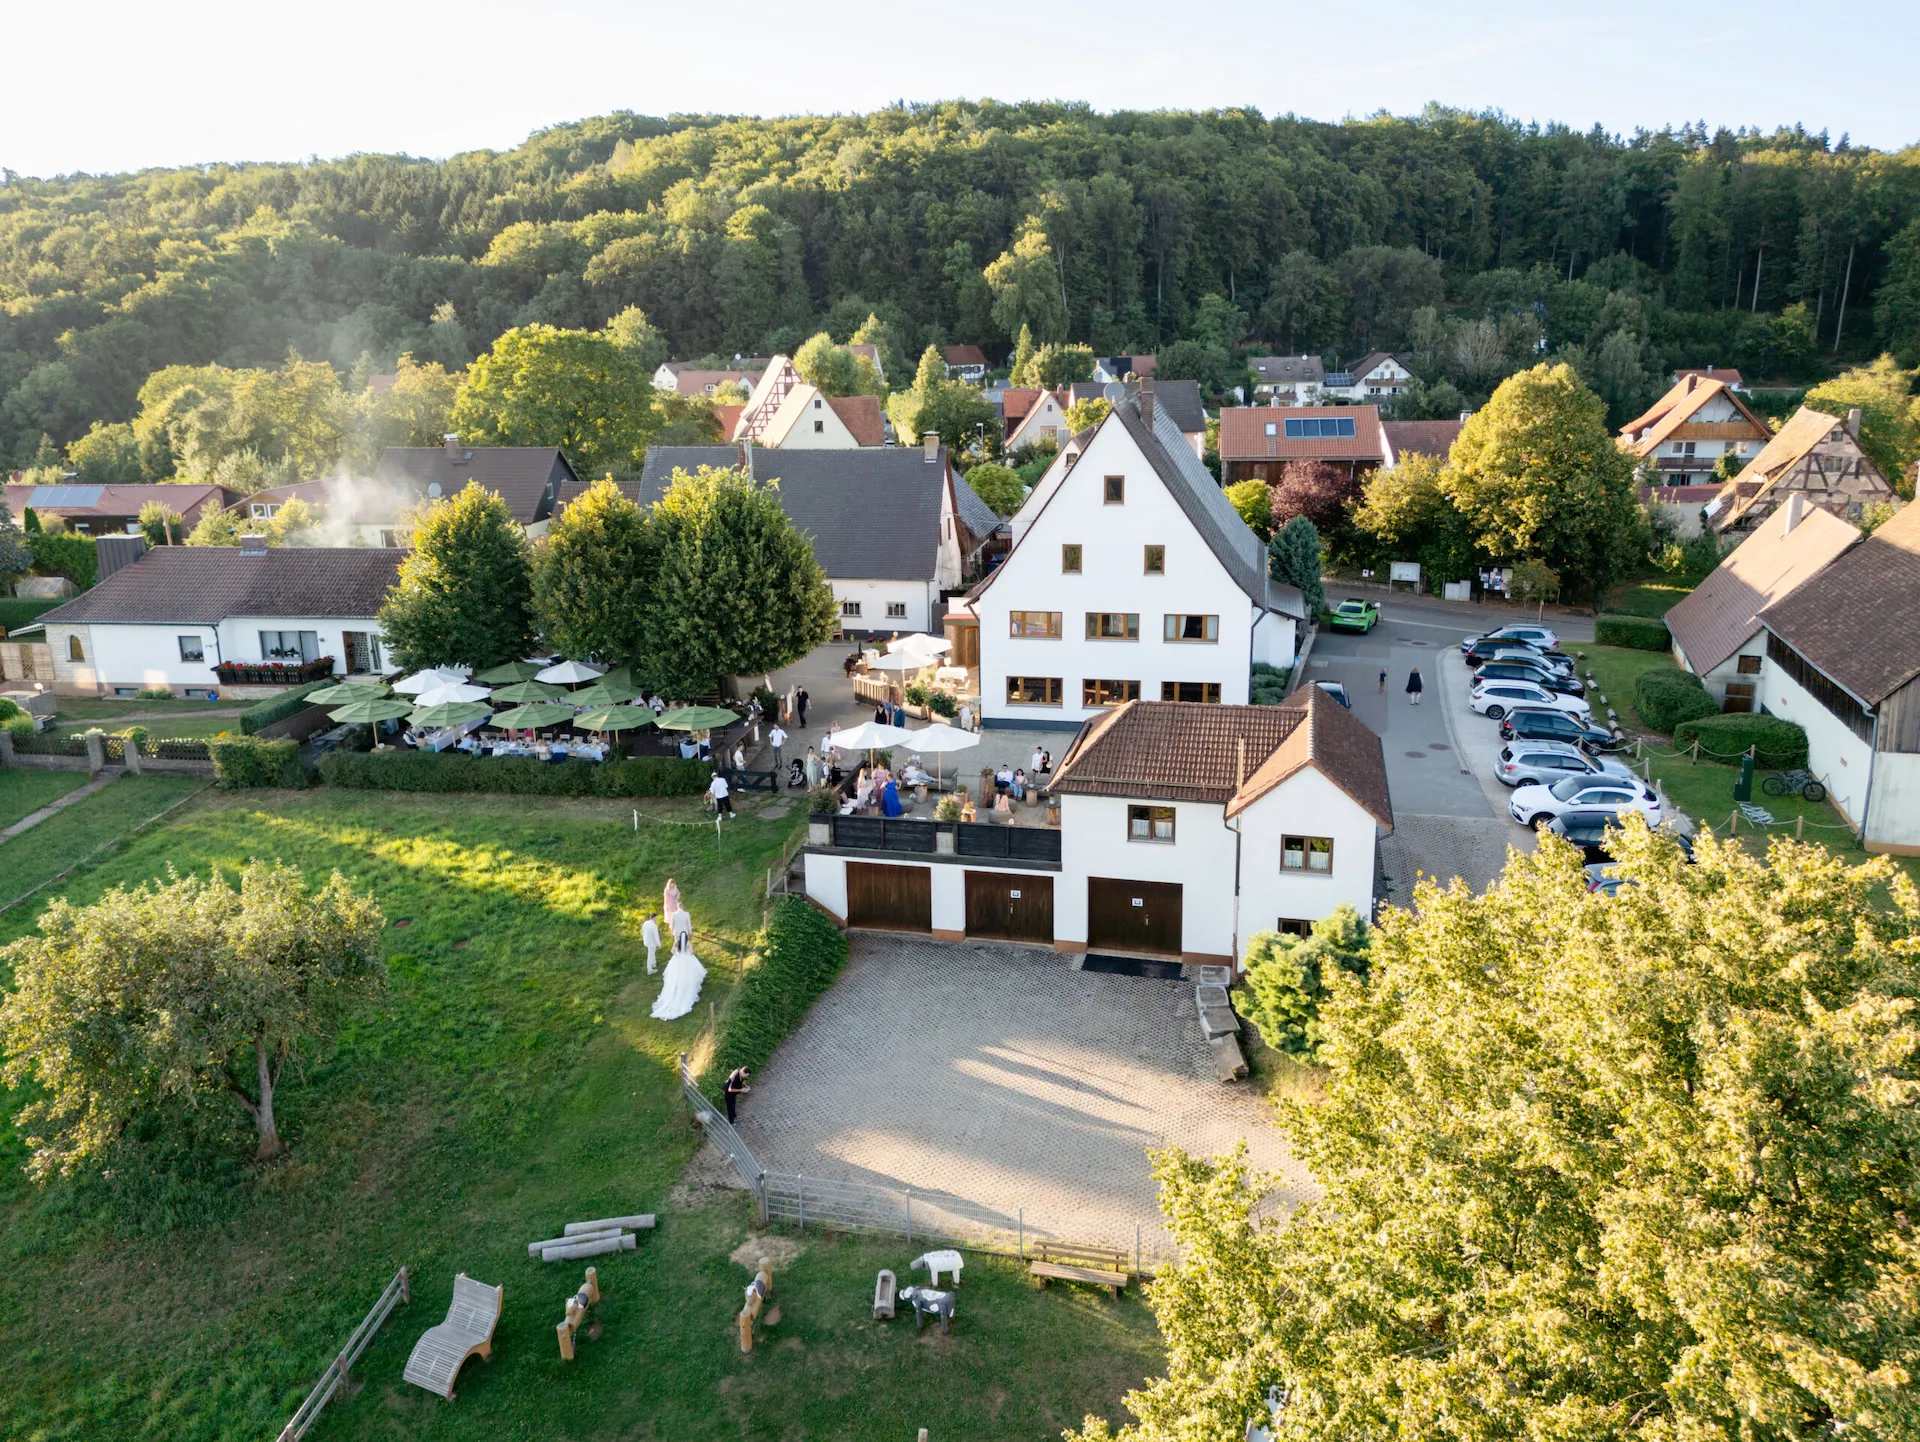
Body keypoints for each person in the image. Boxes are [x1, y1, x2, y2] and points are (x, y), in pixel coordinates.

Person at [652, 913, 706, 1020]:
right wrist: (687, 952)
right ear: (686, 937)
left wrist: (677, 954)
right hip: (686, 959)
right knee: (689, 973)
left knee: (676, 976)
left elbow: (672, 951)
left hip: (677, 960)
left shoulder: (677, 942)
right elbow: (690, 952)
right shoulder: (688, 943)